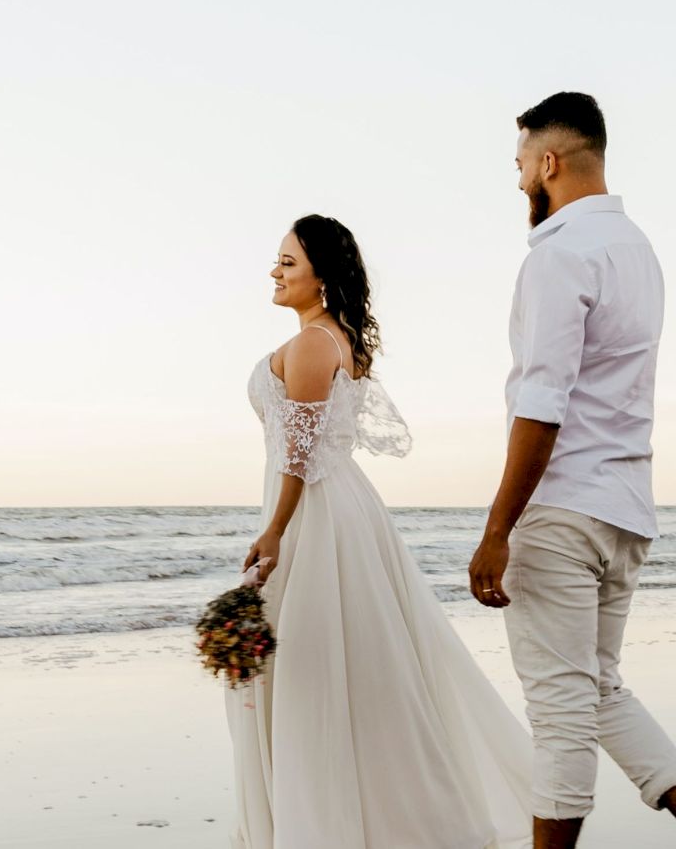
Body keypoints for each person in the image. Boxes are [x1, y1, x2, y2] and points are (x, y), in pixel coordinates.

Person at [225, 214, 533, 848]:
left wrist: (277, 531)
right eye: (277, 261)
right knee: (355, 668)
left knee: (318, 670)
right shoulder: (337, 338)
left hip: (315, 513)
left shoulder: (314, 343)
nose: (275, 272)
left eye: (288, 262)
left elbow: (301, 454)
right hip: (340, 508)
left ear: (322, 274)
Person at [468, 91, 676, 848]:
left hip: (560, 514)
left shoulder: (560, 255)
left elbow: (543, 402)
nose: (520, 178)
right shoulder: (640, 251)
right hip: (625, 509)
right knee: (600, 687)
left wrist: (498, 530)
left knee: (560, 712)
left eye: (522, 163)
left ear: (549, 161)